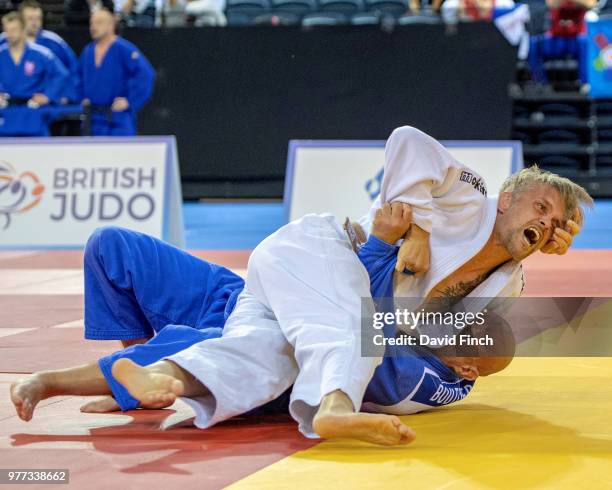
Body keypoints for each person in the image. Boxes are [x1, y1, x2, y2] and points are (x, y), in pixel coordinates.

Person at [10, 126, 591, 446]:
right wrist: (413, 222)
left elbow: (421, 324)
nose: (546, 223)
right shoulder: (467, 194)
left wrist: (393, 250)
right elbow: (410, 141)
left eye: (556, 221)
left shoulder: (500, 290)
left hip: (298, 309)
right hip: (284, 280)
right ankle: (132, 372)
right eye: (541, 206)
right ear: (508, 198)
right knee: (113, 246)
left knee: (282, 342)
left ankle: (133, 380)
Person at [77, 9, 155, 136]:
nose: (93, 27)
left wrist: (130, 101)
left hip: (118, 118)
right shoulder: (87, 51)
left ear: (111, 25)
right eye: (91, 23)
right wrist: (81, 97)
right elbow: (77, 78)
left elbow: (146, 75)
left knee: (122, 155)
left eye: (99, 23)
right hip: (93, 118)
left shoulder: (124, 49)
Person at [0, 12, 68, 136]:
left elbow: (61, 74)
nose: (9, 34)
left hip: (33, 111)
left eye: (13, 29)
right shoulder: (1, 53)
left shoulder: (42, 53)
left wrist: (48, 96)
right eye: (6, 30)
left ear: (22, 29)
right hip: (6, 112)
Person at [0, 1, 80, 102]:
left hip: (40, 104)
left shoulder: (54, 42)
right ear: (20, 20)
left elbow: (72, 70)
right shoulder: (4, 41)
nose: (35, 23)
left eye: (38, 18)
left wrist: (64, 96)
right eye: (30, 19)